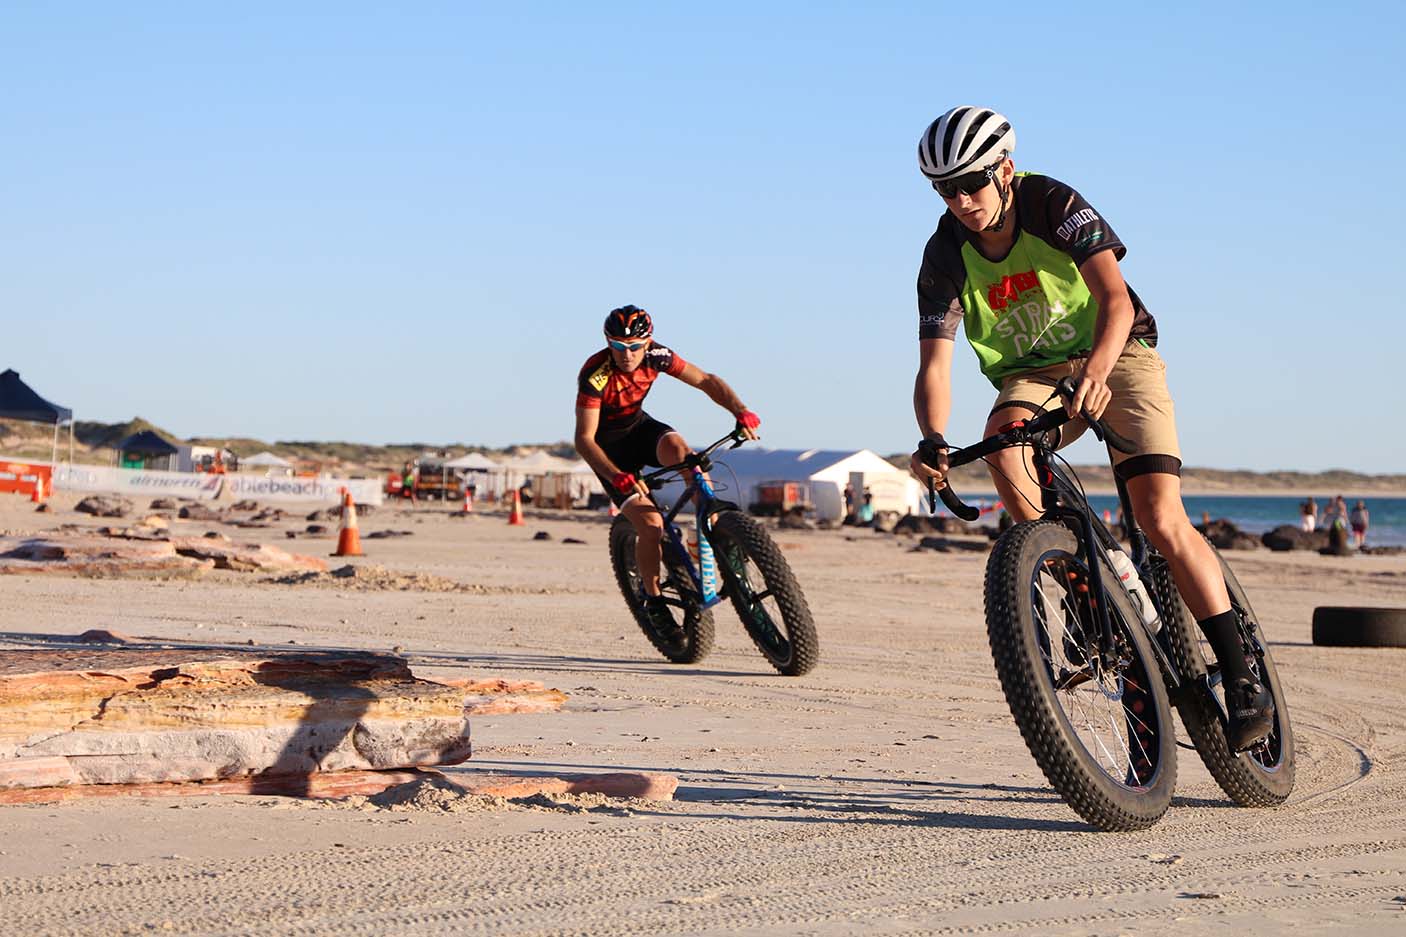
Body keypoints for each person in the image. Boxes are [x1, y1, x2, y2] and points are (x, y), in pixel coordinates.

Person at [906, 106, 1272, 750]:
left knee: (1160, 517)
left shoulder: (1053, 203)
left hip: (1117, 353)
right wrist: (932, 439)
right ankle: (1084, 595)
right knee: (1005, 449)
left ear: (1006, 170)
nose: (961, 200)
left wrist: (1100, 373)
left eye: (973, 183)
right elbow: (935, 362)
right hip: (1033, 374)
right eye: (945, 189)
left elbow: (1115, 300)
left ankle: (1241, 674)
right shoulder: (944, 254)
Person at [573, 305, 760, 636]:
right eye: (617, 346)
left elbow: (705, 380)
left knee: (684, 453)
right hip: (608, 450)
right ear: (607, 343)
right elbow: (585, 440)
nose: (626, 354)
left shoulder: (657, 356)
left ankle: (708, 531)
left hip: (639, 429)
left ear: (647, 343)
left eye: (633, 347)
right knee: (652, 525)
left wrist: (740, 410)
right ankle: (653, 598)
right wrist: (617, 474)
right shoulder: (595, 375)